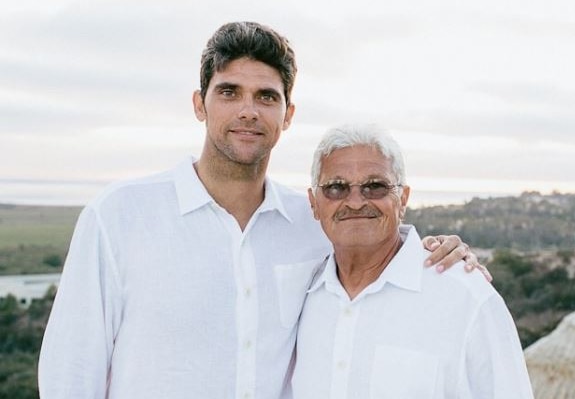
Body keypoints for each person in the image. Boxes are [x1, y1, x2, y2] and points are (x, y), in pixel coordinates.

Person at [38, 22, 487, 399]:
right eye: (229, 92)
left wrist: (445, 252)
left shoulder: (313, 223)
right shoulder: (119, 216)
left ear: (288, 114)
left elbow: (379, 256)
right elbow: (70, 372)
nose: (248, 111)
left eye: (266, 97)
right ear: (200, 104)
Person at [291, 124, 534, 399]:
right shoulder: (301, 296)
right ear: (314, 202)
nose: (356, 201)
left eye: (375, 186)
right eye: (336, 187)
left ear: (403, 198)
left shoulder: (467, 298)